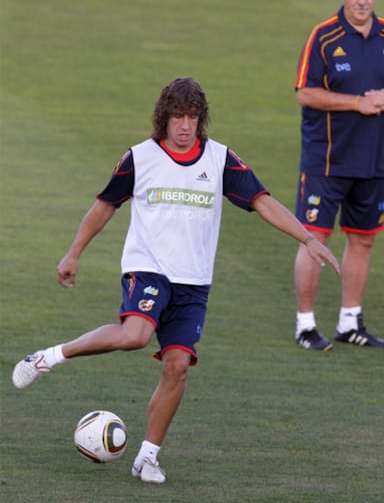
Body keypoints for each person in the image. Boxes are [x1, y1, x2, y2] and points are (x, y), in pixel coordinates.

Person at [12, 77, 339, 483]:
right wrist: (74, 252)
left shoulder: (220, 160)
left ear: (200, 120)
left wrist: (307, 237)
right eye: (177, 117)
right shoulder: (140, 157)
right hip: (148, 267)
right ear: (163, 119)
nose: (185, 125)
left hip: (194, 281)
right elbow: (104, 205)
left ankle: (147, 457)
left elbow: (262, 201)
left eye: (192, 117)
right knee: (135, 335)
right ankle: (50, 357)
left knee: (178, 366)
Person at [293, 0, 384, 351]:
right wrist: (358, 102)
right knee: (314, 239)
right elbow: (305, 93)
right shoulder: (324, 37)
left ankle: (349, 322)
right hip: (326, 161)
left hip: (372, 161)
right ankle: (305, 325)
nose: (362, 0)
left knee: (362, 240)